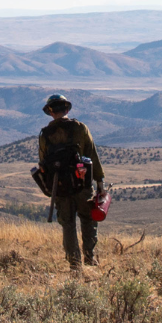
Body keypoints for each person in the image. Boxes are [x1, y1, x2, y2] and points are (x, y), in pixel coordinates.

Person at [37, 93, 105, 271]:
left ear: (51, 112)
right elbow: (92, 155)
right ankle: (90, 258)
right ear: (67, 109)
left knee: (67, 224)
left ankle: (75, 264)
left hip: (59, 187)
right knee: (88, 220)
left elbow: (43, 162)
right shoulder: (80, 128)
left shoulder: (45, 134)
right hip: (82, 183)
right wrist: (100, 184)